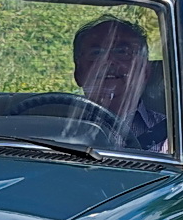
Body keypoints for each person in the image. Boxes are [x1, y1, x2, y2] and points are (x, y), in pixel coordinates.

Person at [72, 16, 168, 152]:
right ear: (78, 73)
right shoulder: (56, 127)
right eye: (96, 53)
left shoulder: (173, 137)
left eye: (123, 52)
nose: (108, 61)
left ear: (145, 71)